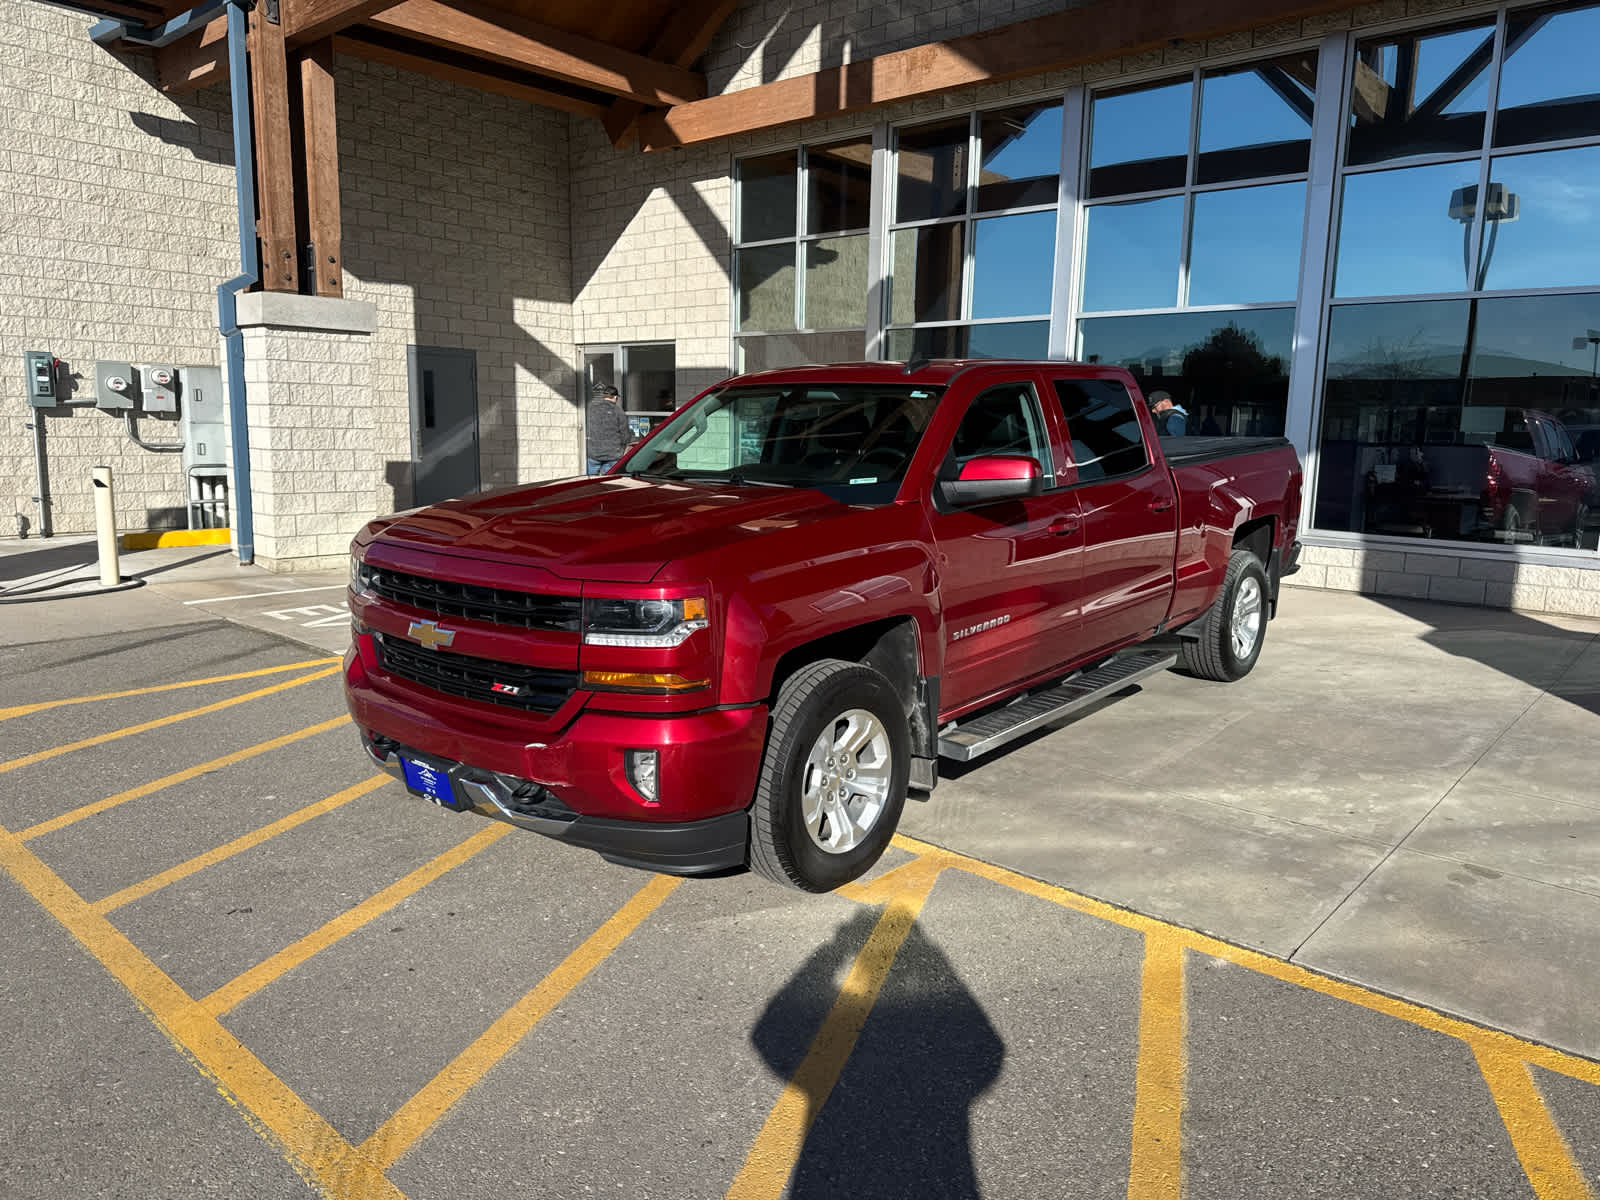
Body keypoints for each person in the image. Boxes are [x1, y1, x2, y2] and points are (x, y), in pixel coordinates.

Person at [585, 383, 632, 474]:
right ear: (615, 397)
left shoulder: (591, 409)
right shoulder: (618, 411)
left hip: (594, 453)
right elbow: (625, 434)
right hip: (613, 454)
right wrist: (625, 446)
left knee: (589, 482)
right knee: (609, 482)